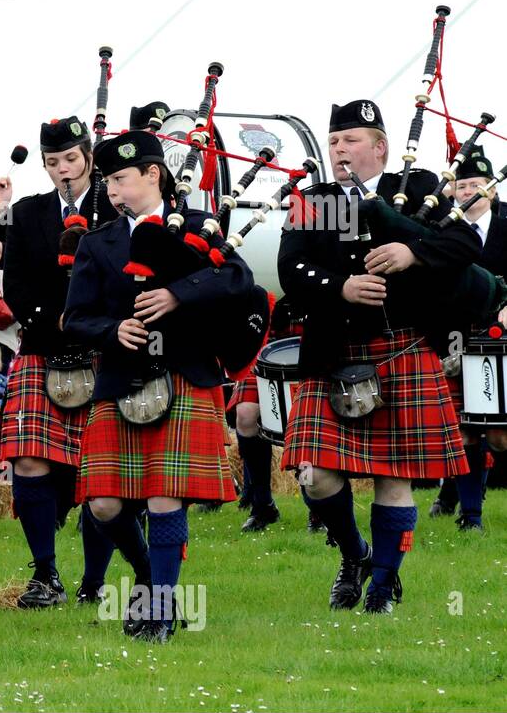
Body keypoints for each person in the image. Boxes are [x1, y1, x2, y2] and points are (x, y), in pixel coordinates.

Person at [278, 100, 478, 614]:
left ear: (380, 147)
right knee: (315, 476)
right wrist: (340, 287)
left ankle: (384, 587)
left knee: (395, 477)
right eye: (335, 141)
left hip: (403, 348)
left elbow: (463, 246)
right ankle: (354, 555)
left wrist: (415, 252)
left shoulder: (417, 187)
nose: (339, 149)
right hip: (333, 351)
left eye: (351, 140)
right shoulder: (315, 199)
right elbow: (290, 267)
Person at [66, 130, 254, 642]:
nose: (114, 190)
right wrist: (112, 330)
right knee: (104, 503)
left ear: (153, 174)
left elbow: (238, 279)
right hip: (120, 377)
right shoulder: (96, 242)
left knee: (165, 497)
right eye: (108, 181)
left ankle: (161, 610)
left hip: (183, 372)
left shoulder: (198, 226)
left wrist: (177, 294)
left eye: (122, 179)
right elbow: (75, 317)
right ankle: (148, 577)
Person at [0, 114, 122, 610]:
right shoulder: (26, 213)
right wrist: (58, 321)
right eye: (52, 162)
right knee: (27, 457)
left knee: (103, 468)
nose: (63, 170)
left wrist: (90, 322)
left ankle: (94, 580)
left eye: (70, 159)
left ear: (88, 156)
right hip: (44, 344)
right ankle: (45, 572)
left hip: (105, 346)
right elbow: (17, 284)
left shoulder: (114, 206)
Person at [429, 149, 505, 530]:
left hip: (503, 335)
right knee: (463, 427)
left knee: (499, 434)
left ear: (491, 190)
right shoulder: (443, 226)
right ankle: (469, 516)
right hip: (456, 336)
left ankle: (451, 492)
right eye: (462, 186)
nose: (470, 192)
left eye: (477, 184)